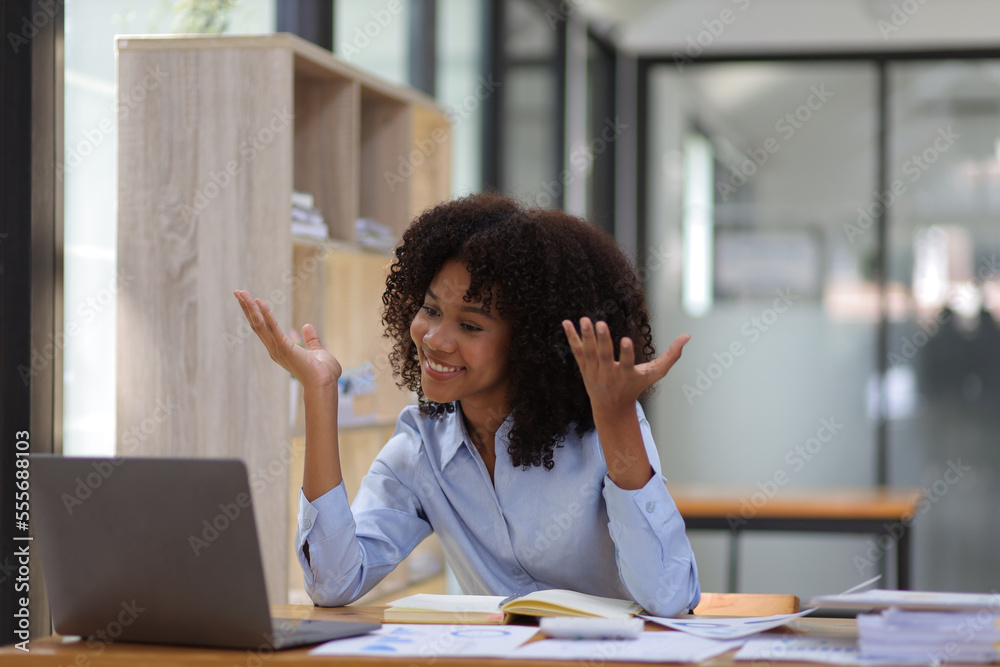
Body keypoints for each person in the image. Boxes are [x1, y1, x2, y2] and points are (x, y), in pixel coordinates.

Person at [234, 192, 700, 616]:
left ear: (530, 344)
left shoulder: (604, 428)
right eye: (431, 310)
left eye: (471, 326)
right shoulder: (422, 444)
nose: (435, 340)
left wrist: (618, 421)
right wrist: (319, 393)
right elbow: (333, 582)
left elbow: (669, 596)